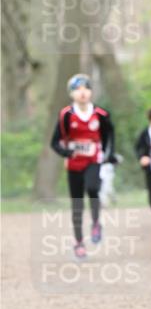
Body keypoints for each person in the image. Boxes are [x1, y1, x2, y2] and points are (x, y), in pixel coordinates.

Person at [50, 73, 115, 259]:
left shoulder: (101, 114)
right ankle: (78, 242)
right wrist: (66, 153)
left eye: (86, 88)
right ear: (71, 94)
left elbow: (110, 136)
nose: (82, 92)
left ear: (91, 92)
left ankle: (96, 223)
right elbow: (54, 142)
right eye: (77, 89)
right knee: (77, 204)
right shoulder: (66, 115)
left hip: (93, 160)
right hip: (73, 164)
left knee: (93, 187)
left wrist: (108, 154)